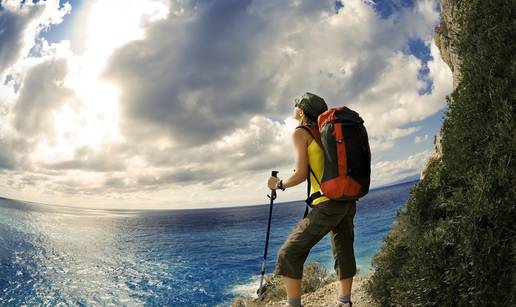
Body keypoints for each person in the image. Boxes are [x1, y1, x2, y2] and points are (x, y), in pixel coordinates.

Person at [267, 92, 357, 307]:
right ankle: (345, 302)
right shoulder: (330, 131)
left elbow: (300, 175)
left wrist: (278, 184)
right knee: (344, 249)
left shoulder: (301, 132)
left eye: (295, 104)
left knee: (289, 253)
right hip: (347, 199)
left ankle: (294, 305)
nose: (293, 107)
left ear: (301, 111)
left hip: (326, 204)